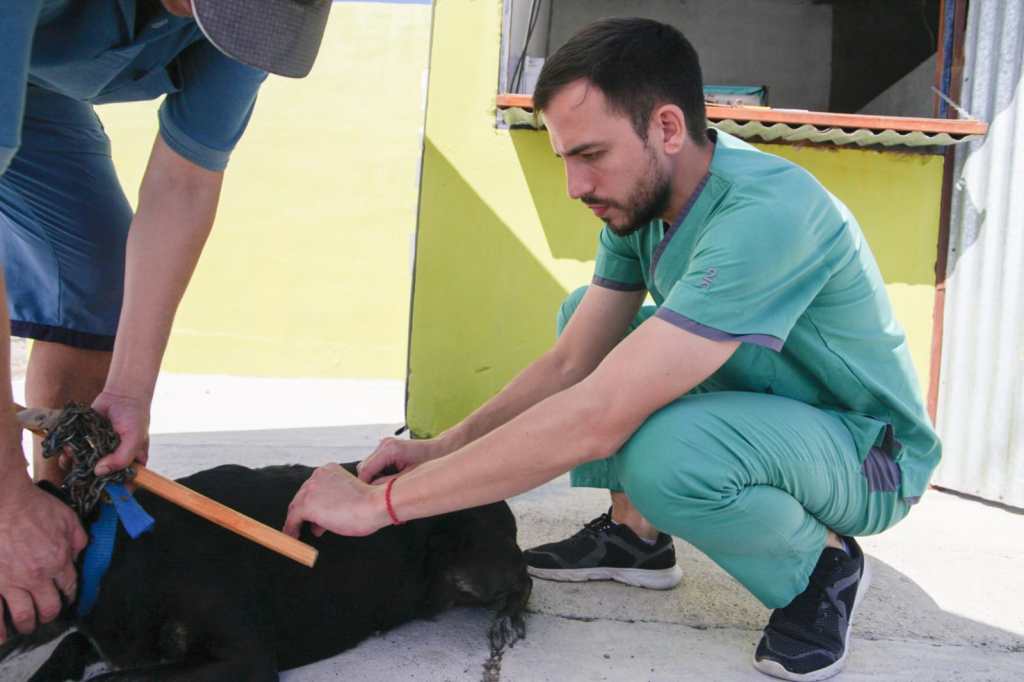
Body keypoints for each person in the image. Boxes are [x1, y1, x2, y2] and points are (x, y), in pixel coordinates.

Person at [283, 17, 941, 681]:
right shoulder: (643, 203)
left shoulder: (767, 211)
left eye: (590, 155)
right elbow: (572, 364)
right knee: (587, 326)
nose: (575, 186)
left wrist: (381, 506)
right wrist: (437, 447)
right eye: (565, 157)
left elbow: (598, 417)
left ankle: (819, 568)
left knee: (670, 454)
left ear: (667, 128)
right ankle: (636, 538)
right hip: (775, 408)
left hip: (868, 453)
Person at [0, 0, 332, 645]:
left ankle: (53, 547)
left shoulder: (255, 18)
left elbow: (184, 184)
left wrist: (128, 392)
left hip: (34, 90)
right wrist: (5, 500)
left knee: (100, 277)